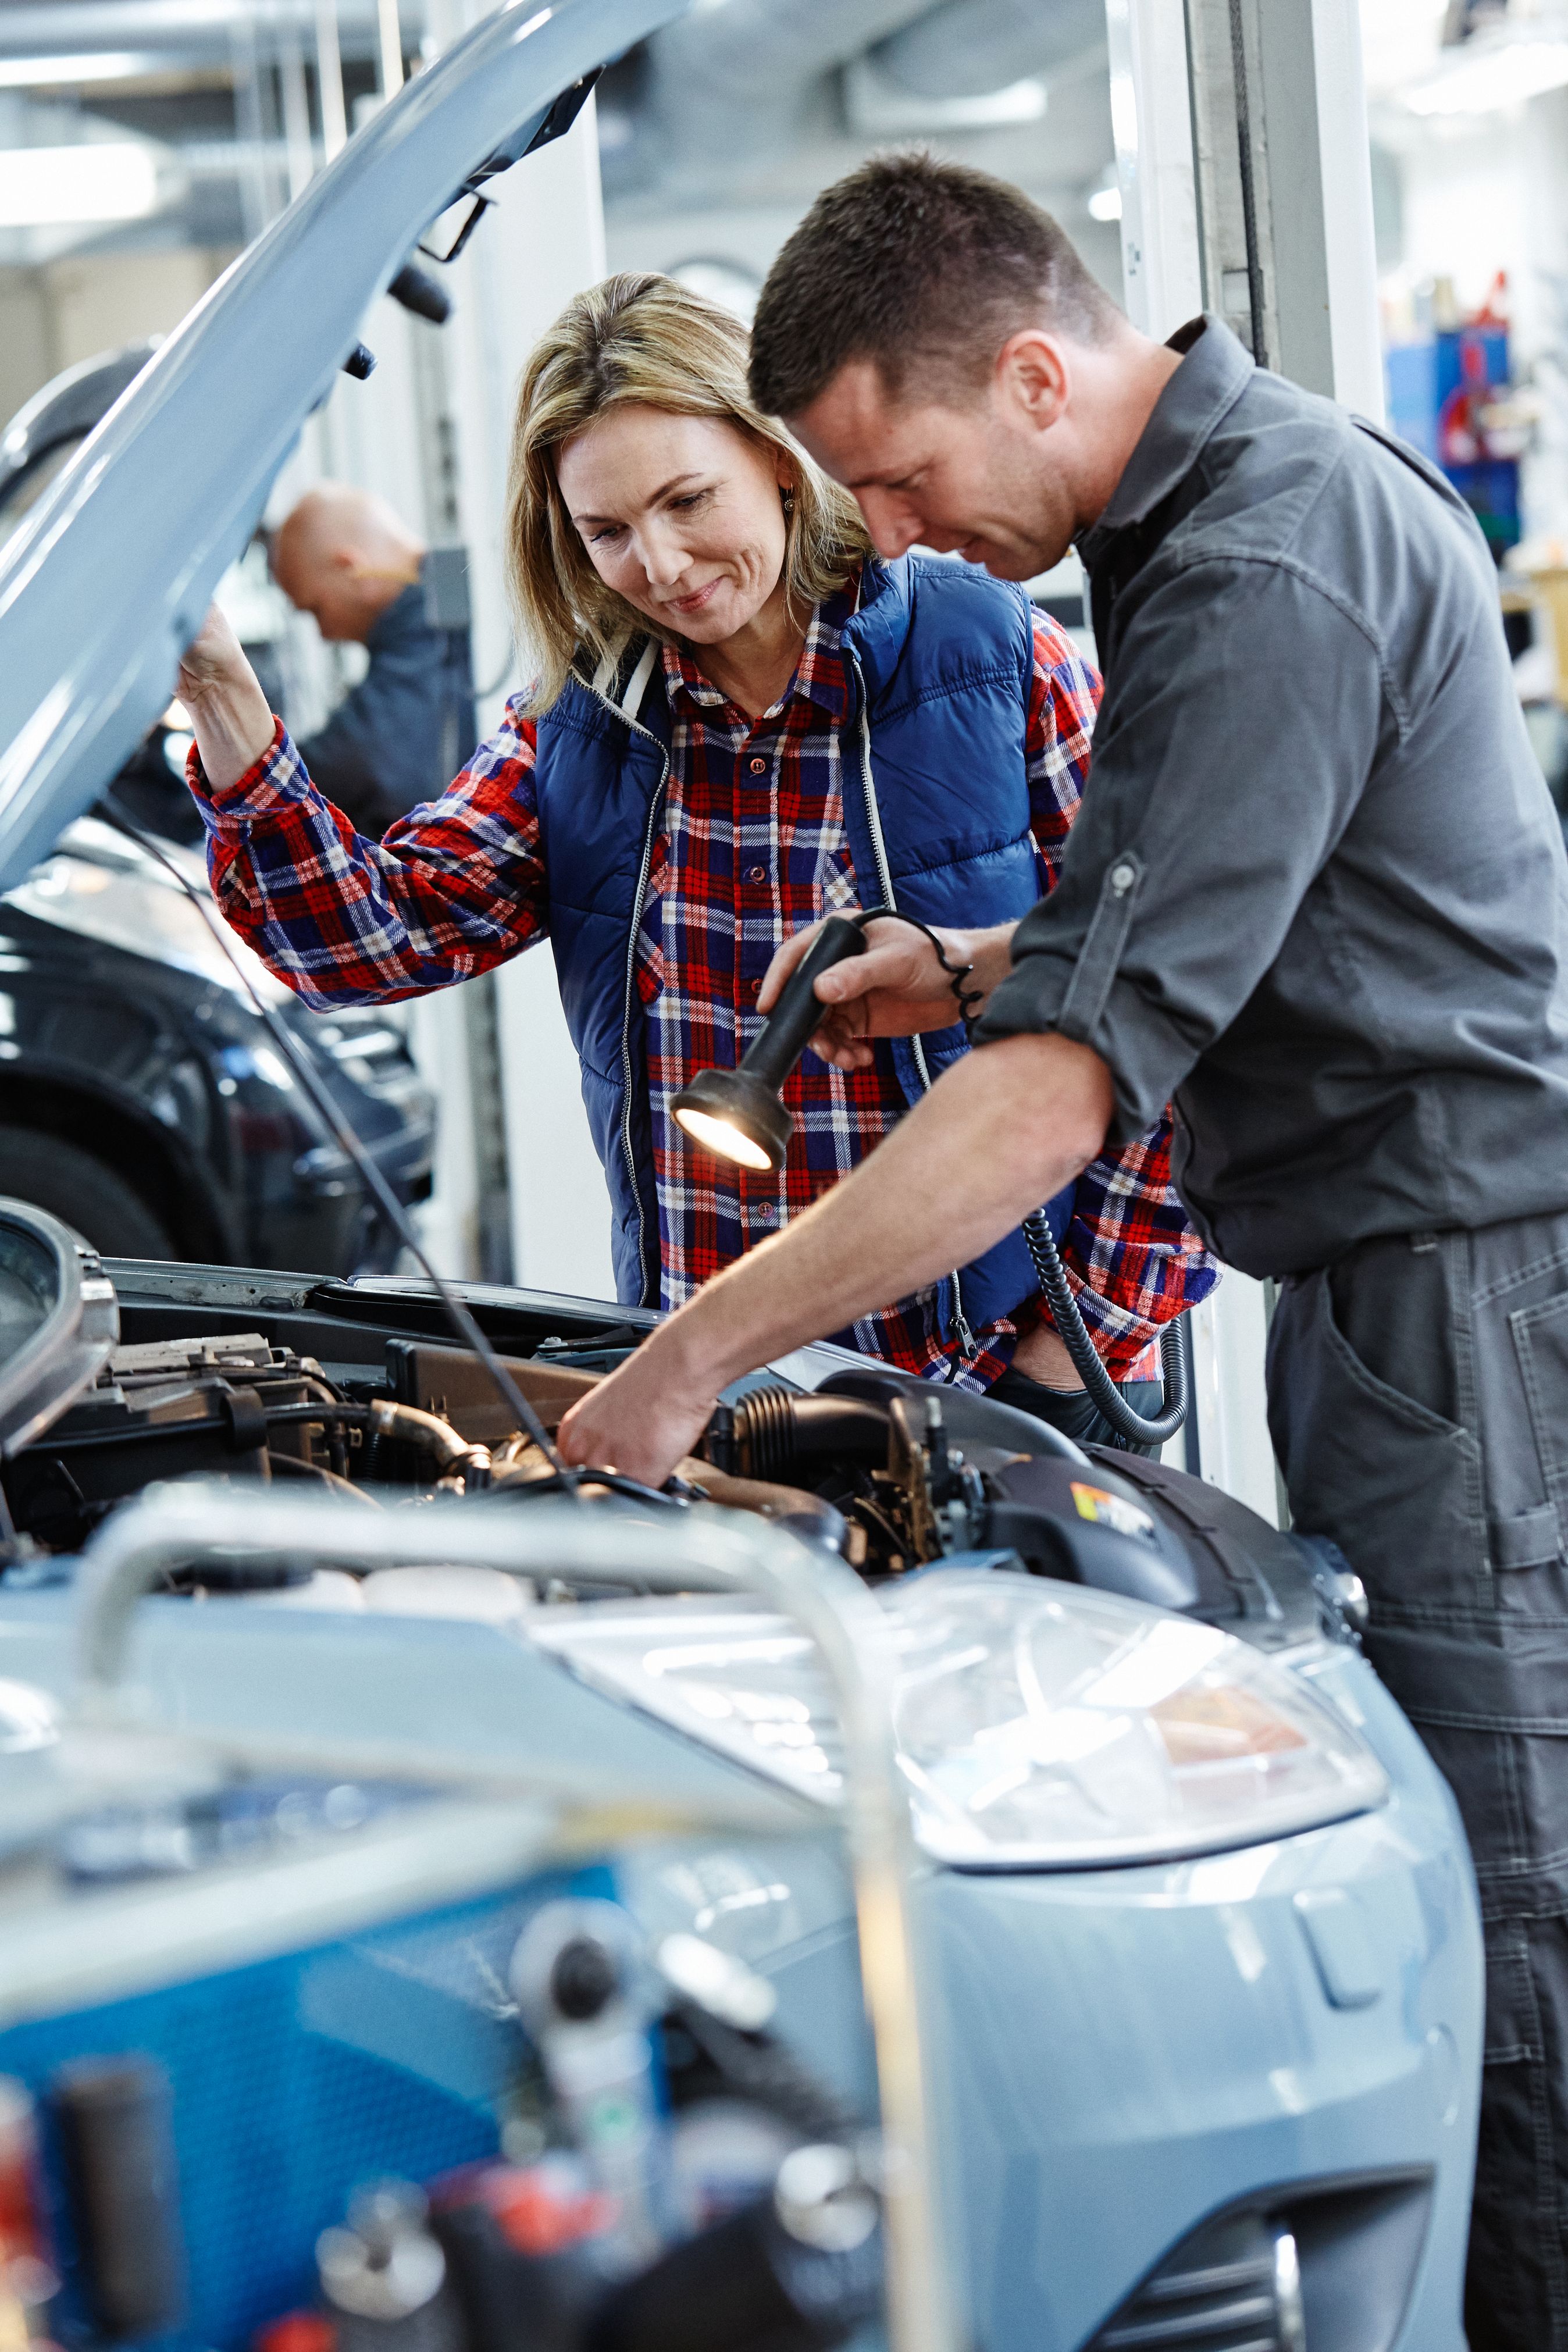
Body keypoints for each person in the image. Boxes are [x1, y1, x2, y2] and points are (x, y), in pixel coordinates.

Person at [554, 157, 1568, 2352]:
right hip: (1407, 1288)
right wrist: (993, 957)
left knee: (1503, 1897)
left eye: (900, 477)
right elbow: (1254, 884)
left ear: (1034, 370)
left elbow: (1050, 1103)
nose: (894, 540)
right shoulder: (1228, 516)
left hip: (1460, 1293)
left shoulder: (1255, 566)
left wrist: (683, 1362)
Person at [174, 273, 1211, 1436]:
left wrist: (1080, 1348)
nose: (660, 567)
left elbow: (1161, 1007)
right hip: (709, 1392)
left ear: (775, 455)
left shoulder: (1001, 665)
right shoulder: (576, 726)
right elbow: (368, 945)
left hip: (984, 1386)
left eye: (686, 501)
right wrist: (224, 698)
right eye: (607, 532)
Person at [272, 484, 475, 836]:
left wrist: (260, 781)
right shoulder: (433, 608)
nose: (323, 634)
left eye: (316, 610)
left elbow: (370, 763)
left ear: (350, 568)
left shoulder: (434, 628)